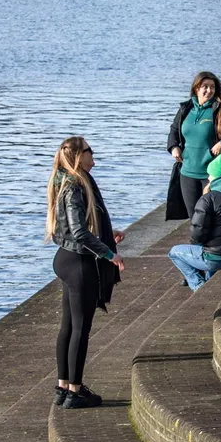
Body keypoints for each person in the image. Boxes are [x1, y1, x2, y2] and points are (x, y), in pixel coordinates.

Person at [46, 136, 125, 409]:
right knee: (80, 328)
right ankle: (76, 391)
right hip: (79, 263)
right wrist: (108, 253)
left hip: (65, 259)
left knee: (68, 327)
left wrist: (106, 235)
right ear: (80, 156)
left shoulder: (66, 182)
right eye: (91, 151)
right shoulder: (75, 187)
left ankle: (63, 387)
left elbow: (74, 227)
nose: (95, 156)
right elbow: (79, 232)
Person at [168, 154, 221, 290]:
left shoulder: (208, 199)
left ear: (215, 177)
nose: (208, 178)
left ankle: (199, 286)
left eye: (210, 175)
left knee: (174, 252)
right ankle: (209, 280)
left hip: (215, 258)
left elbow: (197, 234)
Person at [166, 72, 221, 221]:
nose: (209, 91)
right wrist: (173, 147)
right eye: (205, 87)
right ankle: (197, 245)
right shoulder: (186, 108)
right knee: (194, 219)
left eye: (212, 87)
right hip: (187, 173)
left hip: (210, 175)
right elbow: (174, 130)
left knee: (211, 217)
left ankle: (212, 245)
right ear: (196, 88)